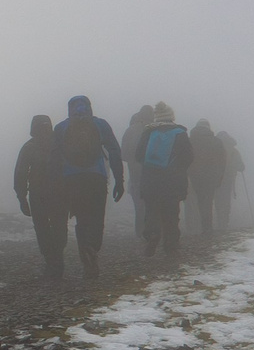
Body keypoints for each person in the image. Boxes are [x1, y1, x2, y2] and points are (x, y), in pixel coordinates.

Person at [48, 95, 125, 282]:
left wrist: (56, 185)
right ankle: (93, 248)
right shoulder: (100, 125)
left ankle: (87, 259)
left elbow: (54, 159)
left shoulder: (61, 127)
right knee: (97, 218)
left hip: (71, 179)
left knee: (82, 219)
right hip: (96, 177)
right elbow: (114, 151)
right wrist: (119, 180)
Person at [12, 115, 67, 280]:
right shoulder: (60, 144)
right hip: (60, 193)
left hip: (38, 194)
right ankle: (57, 258)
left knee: (42, 229)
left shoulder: (29, 147)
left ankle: (52, 261)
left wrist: (21, 197)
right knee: (59, 226)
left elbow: (20, 173)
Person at [137, 102, 194, 258]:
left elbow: (139, 155)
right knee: (171, 214)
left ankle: (152, 234)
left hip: (151, 180)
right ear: (171, 117)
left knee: (152, 210)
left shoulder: (148, 131)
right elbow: (189, 157)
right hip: (172, 181)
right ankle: (171, 246)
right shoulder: (180, 133)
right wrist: (177, 169)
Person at [122, 104, 158, 242]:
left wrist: (134, 159)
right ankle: (153, 231)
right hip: (154, 173)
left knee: (139, 205)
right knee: (153, 203)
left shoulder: (130, 130)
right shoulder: (157, 130)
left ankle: (140, 232)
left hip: (136, 173)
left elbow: (123, 154)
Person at [188, 121, 227, 239]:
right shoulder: (216, 141)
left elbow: (185, 158)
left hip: (195, 175)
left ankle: (199, 227)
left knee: (199, 200)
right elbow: (222, 161)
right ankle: (207, 227)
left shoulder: (190, 141)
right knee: (208, 200)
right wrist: (219, 177)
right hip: (211, 176)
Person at [214, 130, 246, 229]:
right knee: (226, 201)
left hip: (215, 178)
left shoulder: (215, 148)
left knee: (218, 200)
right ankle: (224, 223)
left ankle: (219, 221)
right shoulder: (233, 150)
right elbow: (241, 167)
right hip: (228, 178)